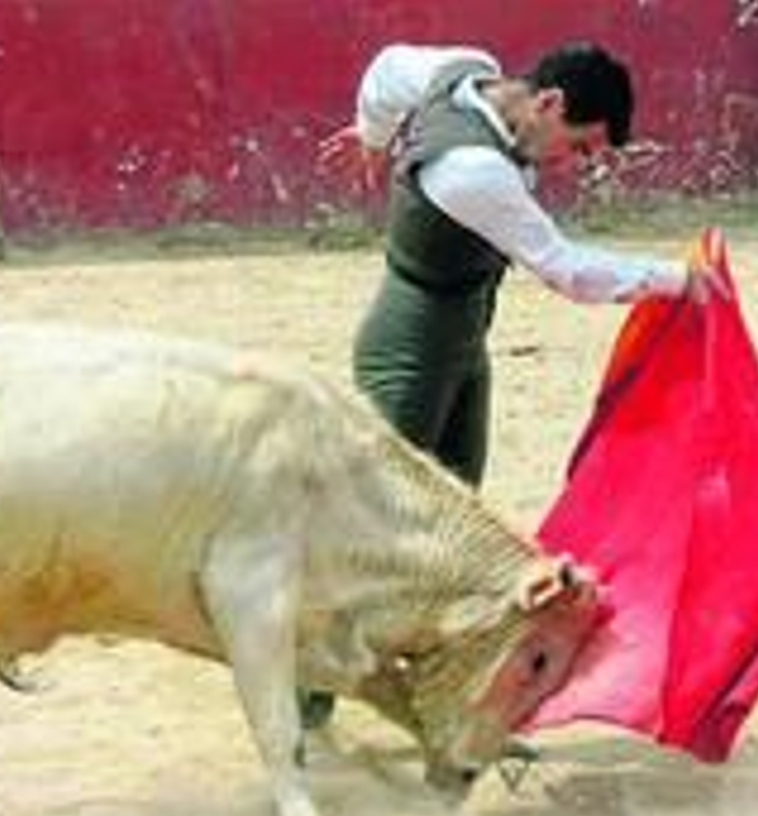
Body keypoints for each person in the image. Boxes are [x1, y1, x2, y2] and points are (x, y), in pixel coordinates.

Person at [300, 41, 718, 732]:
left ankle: (440, 702)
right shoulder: (472, 169)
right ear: (549, 102)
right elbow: (565, 268)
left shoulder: (462, 70)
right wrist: (676, 281)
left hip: (461, 338)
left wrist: (373, 136)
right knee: (370, 536)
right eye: (578, 145)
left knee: (455, 536)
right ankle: (301, 716)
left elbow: (385, 70)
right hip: (411, 347)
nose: (572, 163)